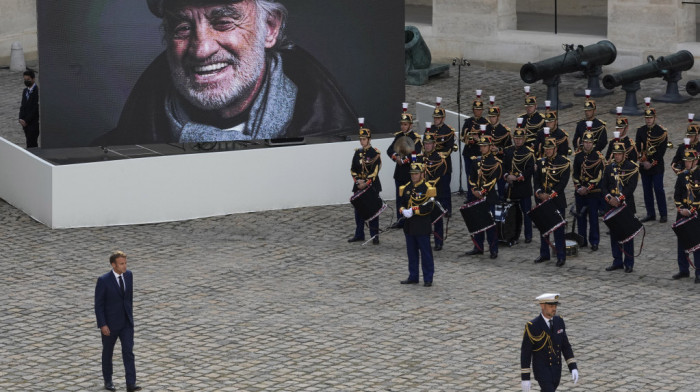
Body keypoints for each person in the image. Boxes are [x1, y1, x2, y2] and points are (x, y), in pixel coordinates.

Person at [97, 0, 357, 145]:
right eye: (182, 27)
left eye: (223, 22)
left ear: (269, 28)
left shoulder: (346, 147)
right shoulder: (113, 151)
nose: (201, 50)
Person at [94, 251, 141, 392]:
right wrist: (103, 324)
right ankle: (108, 380)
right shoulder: (104, 280)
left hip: (126, 323)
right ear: (113, 265)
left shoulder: (129, 275)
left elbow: (128, 298)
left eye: (125, 263)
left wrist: (130, 318)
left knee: (128, 352)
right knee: (108, 353)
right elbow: (98, 305)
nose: (124, 266)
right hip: (110, 324)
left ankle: (131, 383)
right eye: (121, 264)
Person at [520, 293, 579, 392]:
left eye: (555, 306)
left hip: (556, 370)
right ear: (542, 306)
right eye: (551, 306)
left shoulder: (559, 321)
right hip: (542, 370)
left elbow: (565, 346)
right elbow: (526, 353)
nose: (554, 308)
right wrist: (525, 377)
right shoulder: (533, 326)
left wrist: (573, 366)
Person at [601, 142, 639, 272]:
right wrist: (609, 198)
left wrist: (618, 198)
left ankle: (629, 262)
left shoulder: (631, 167)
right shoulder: (609, 168)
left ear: (624, 154)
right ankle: (617, 260)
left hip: (625, 205)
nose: (616, 156)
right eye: (615, 154)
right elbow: (604, 185)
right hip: (611, 205)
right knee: (614, 234)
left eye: (619, 154)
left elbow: (631, 187)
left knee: (628, 235)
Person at [533, 138, 571, 266]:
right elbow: (537, 180)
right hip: (542, 200)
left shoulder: (564, 162)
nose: (548, 151)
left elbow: (563, 183)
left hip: (557, 200)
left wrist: (550, 194)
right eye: (546, 149)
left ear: (555, 149)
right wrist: (539, 193)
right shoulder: (540, 162)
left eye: (550, 148)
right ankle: (544, 254)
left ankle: (561, 256)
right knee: (544, 229)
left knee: (559, 231)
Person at [399, 162, 436, 287]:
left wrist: (413, 210)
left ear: (422, 174)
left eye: (416, 174)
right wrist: (403, 210)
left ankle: (428, 277)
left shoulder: (427, 188)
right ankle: (413, 276)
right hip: (409, 226)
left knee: (425, 253)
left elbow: (430, 207)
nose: (414, 176)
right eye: (412, 174)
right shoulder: (407, 187)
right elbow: (401, 203)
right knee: (412, 253)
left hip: (422, 225)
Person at [465, 135, 502, 259]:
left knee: (491, 225)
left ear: (490, 147)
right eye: (481, 146)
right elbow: (472, 178)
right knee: (478, 223)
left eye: (485, 146)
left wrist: (482, 191)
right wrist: (475, 189)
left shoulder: (495, 162)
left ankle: (493, 249)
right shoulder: (476, 161)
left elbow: (493, 180)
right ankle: (478, 247)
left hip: (489, 197)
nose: (482, 148)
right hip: (477, 196)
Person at [387, 108, 422, 229]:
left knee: (410, 197)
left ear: (410, 125)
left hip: (410, 173)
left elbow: (416, 153)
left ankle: (410, 219)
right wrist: (396, 157)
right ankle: (400, 220)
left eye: (405, 124)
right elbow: (389, 150)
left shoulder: (415, 138)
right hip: (399, 173)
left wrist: (404, 160)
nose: (403, 126)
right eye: (402, 124)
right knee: (399, 198)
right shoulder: (398, 136)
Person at [572, 131, 606, 251]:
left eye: (589, 143)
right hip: (580, 192)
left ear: (593, 143)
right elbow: (575, 173)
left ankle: (594, 241)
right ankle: (582, 240)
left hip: (593, 192)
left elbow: (599, 176)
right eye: (585, 142)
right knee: (580, 217)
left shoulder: (598, 157)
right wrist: (578, 187)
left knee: (593, 218)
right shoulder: (578, 156)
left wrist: (588, 188)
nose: (587, 145)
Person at [635, 106, 669, 223]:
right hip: (644, 166)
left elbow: (661, 151)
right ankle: (651, 213)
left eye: (651, 118)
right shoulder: (641, 131)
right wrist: (643, 160)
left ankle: (663, 214)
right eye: (647, 118)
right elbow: (638, 148)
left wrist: (652, 163)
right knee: (647, 190)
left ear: (655, 118)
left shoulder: (661, 132)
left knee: (659, 189)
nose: (648, 120)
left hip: (657, 166)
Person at [349, 127, 381, 244]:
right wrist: (358, 181)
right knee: (358, 212)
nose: (362, 141)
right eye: (361, 139)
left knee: (373, 212)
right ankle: (359, 234)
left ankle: (375, 235)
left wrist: (366, 183)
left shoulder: (375, 153)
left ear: (369, 139)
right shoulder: (357, 153)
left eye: (364, 139)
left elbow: (375, 171)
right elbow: (353, 169)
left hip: (371, 186)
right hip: (358, 186)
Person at [503, 127, 535, 243]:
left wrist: (517, 177)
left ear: (524, 139)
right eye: (516, 139)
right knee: (512, 214)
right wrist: (507, 176)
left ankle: (528, 235)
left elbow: (530, 170)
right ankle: (512, 234)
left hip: (523, 187)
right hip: (511, 188)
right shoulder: (508, 151)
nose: (518, 141)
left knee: (526, 213)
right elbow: (504, 166)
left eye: (520, 139)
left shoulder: (528, 153)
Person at [672, 149, 700, 283]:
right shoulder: (682, 175)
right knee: (681, 242)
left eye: (689, 162)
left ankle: (699, 271)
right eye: (686, 162)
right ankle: (683, 269)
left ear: (695, 161)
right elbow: (677, 195)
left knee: (697, 243)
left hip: (696, 214)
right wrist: (680, 208)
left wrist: (692, 209)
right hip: (682, 213)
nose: (687, 164)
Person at [421, 132, 448, 250]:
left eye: (429, 144)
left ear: (434, 144)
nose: (427, 146)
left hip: (435, 192)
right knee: (423, 218)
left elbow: (438, 177)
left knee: (437, 218)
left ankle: (439, 241)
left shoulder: (439, 159)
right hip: (422, 193)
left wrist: (426, 186)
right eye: (425, 144)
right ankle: (424, 240)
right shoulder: (419, 158)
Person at [430, 99, 456, 216]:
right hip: (432, 164)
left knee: (445, 188)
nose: (436, 120)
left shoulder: (448, 131)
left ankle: (447, 209)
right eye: (435, 118)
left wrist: (439, 154)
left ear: (443, 118)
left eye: (438, 118)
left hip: (444, 164)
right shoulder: (430, 129)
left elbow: (449, 148)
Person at [461, 96, 488, 194]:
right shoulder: (468, 122)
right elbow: (462, 136)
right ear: (473, 110)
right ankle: (470, 195)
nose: (478, 111)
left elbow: (488, 139)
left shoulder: (485, 122)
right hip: (468, 152)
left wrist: (478, 139)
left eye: (480, 109)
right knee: (469, 176)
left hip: (479, 152)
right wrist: (469, 138)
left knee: (480, 175)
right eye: (476, 109)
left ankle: (480, 194)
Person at [485, 105, 512, 199]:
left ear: (498, 117)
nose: (491, 119)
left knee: (501, 186)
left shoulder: (503, 130)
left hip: (499, 163)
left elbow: (509, 149)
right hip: (488, 163)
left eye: (493, 116)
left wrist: (498, 149)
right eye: (490, 116)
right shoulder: (485, 129)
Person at [18, 70, 40, 148]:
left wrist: (26, 120)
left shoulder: (37, 91)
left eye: (28, 80)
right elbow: (22, 106)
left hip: (33, 123)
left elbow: (35, 108)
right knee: (29, 143)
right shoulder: (25, 91)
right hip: (25, 125)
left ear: (33, 79)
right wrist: (20, 118)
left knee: (32, 145)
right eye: (25, 80)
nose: (26, 81)